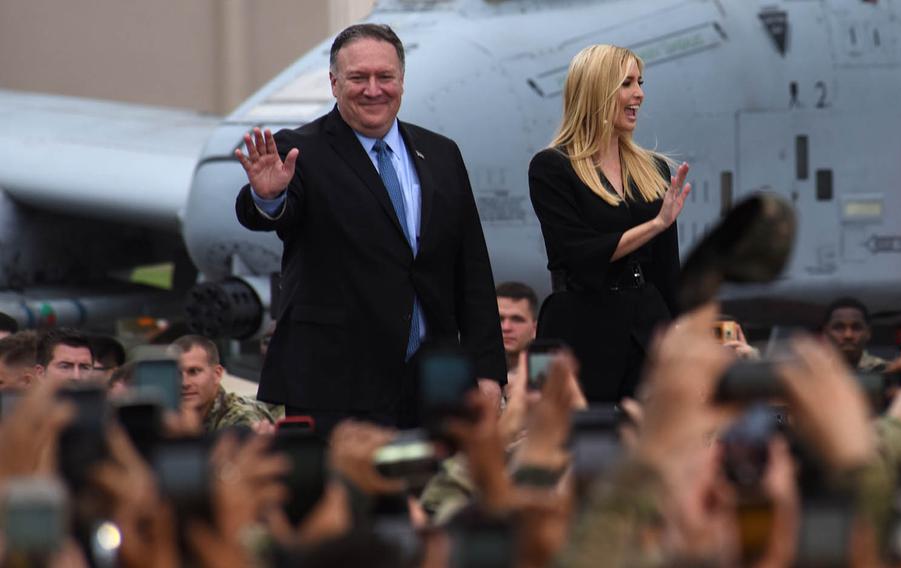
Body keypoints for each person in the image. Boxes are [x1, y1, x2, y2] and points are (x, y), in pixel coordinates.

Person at [234, 23, 505, 430]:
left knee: (437, 493)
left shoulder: (440, 153)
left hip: (434, 383)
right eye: (359, 78)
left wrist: (488, 371)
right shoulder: (300, 149)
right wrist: (269, 197)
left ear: (402, 81)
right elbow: (273, 214)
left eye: (385, 77)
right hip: (337, 386)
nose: (373, 89)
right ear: (334, 82)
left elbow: (473, 273)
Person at [528, 44, 690, 403]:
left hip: (647, 327)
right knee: (573, 447)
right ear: (598, 91)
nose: (640, 94)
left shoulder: (653, 170)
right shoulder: (551, 167)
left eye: (640, 82)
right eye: (627, 83)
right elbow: (578, 255)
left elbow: (667, 269)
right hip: (578, 329)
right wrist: (655, 225)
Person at [169, 335, 275, 432]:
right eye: (177, 374)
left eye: (194, 372)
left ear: (217, 374)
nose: (184, 383)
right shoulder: (167, 415)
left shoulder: (241, 417)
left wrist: (191, 436)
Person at [821, 297, 887, 372]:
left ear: (868, 333)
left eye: (856, 328)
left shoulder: (887, 370)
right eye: (839, 328)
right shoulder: (813, 373)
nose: (848, 335)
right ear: (826, 333)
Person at [495, 281, 538, 384]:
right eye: (499, 319)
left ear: (535, 328)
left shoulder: (547, 378)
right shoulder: (471, 374)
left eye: (517, 319)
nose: (506, 328)